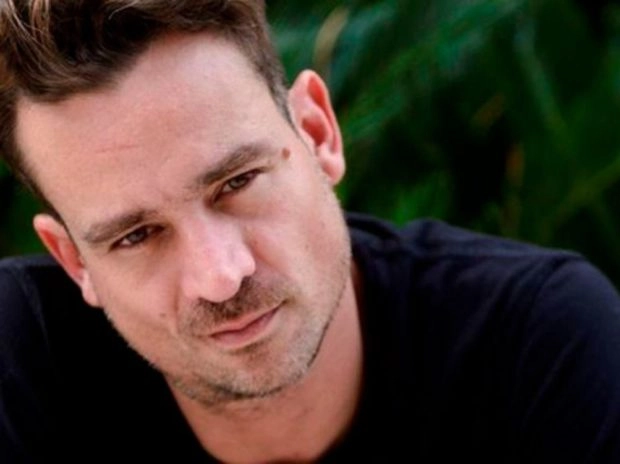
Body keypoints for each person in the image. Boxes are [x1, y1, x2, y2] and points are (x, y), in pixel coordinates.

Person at [0, 1, 619, 462]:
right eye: (136, 236)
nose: (221, 276)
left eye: (237, 182)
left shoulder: (539, 347)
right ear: (74, 261)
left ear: (318, 133)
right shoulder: (19, 368)